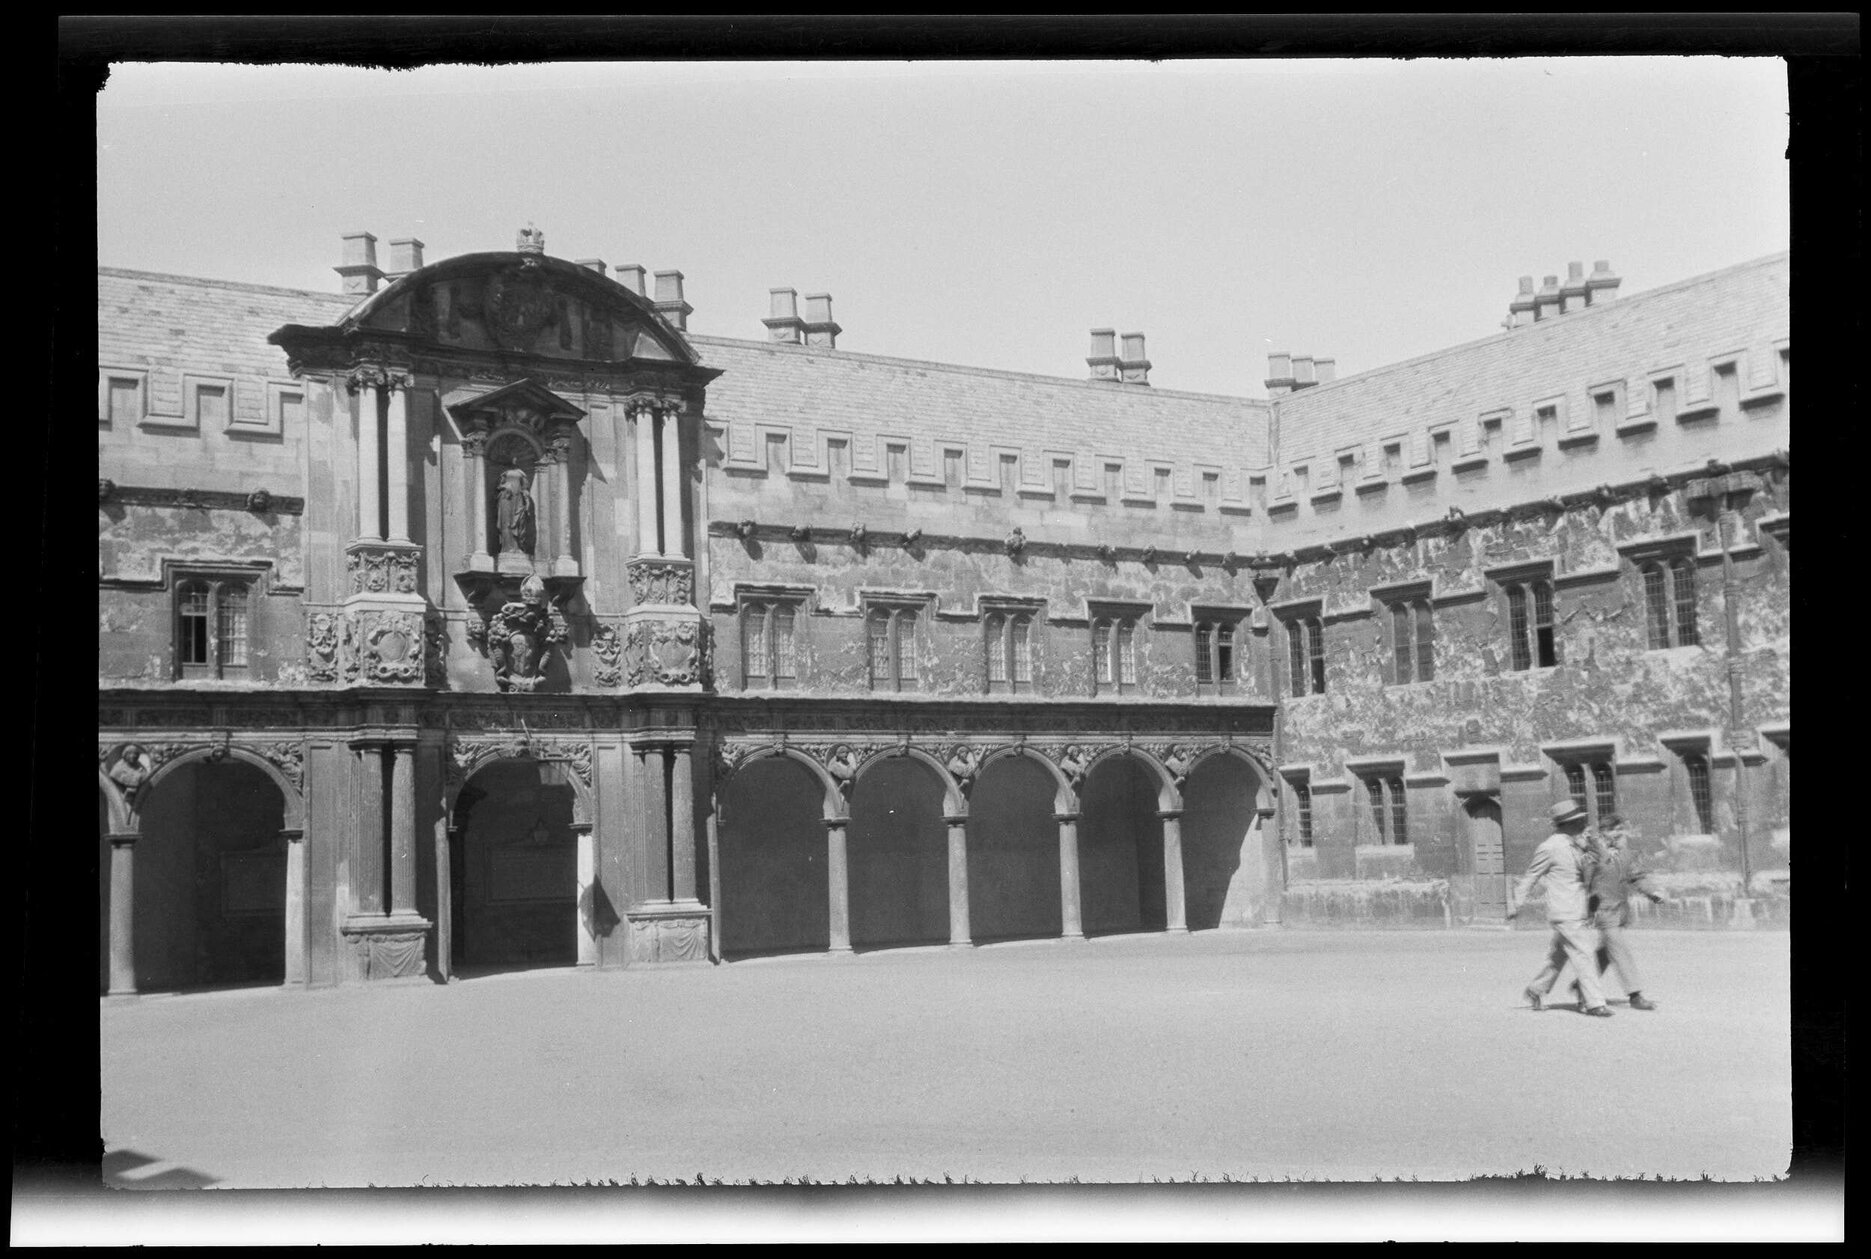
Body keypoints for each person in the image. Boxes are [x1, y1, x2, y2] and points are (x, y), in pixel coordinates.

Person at [1510, 798, 1614, 1017]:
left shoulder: (1577, 844)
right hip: (1564, 910)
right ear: (1566, 823)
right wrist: (1516, 903)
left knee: (1559, 956)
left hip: (1578, 909)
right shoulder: (1549, 847)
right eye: (1579, 821)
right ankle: (1594, 1002)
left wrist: (1593, 842)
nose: (1583, 824)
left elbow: (1604, 861)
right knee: (1584, 952)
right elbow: (1531, 876)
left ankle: (1535, 990)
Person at [1585, 814, 1667, 1010]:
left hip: (1620, 911)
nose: (1619, 834)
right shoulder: (1593, 853)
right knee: (1619, 950)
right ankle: (1635, 995)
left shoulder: (1626, 854)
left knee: (1606, 953)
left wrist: (1652, 892)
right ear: (1604, 832)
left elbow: (1637, 877)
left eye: (1620, 830)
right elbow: (1585, 878)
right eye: (1614, 830)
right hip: (1602, 910)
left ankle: (1582, 986)